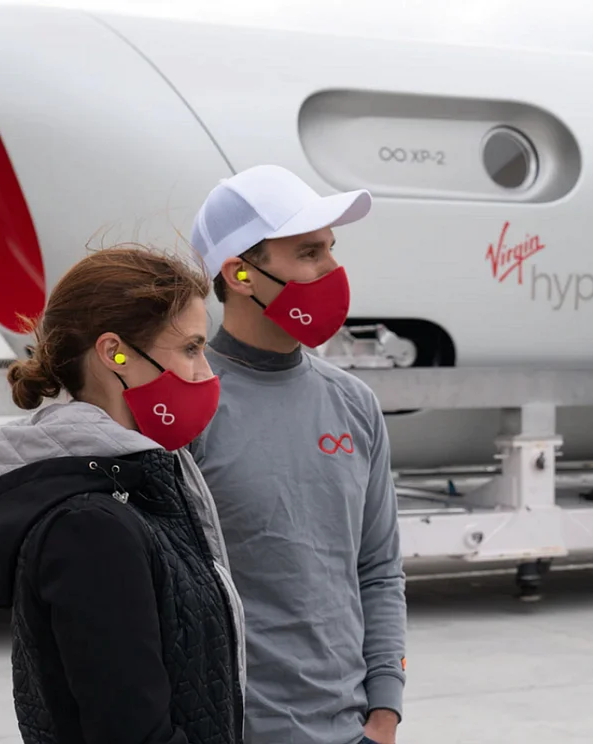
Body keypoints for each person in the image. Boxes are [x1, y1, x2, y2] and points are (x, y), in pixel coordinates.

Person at [0, 245, 247, 744]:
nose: (206, 372)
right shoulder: (91, 528)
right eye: (190, 349)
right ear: (114, 353)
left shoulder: (141, 489)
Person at [188, 164, 407, 744]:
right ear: (239, 273)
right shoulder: (187, 411)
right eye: (309, 252)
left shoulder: (354, 403)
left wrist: (384, 712)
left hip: (353, 730)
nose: (332, 268)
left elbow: (379, 569)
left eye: (331, 248)